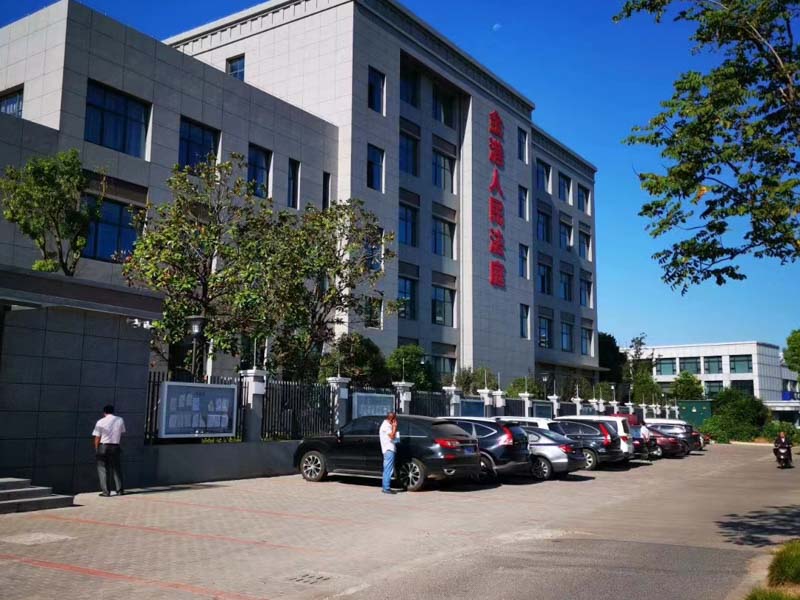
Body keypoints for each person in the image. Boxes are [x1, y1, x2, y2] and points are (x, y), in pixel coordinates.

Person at [93, 405, 126, 497]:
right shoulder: (120, 420)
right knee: (116, 469)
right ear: (113, 411)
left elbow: (97, 437)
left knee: (103, 469)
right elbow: (122, 432)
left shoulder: (100, 421)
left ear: (104, 412)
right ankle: (120, 490)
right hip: (115, 446)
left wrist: (96, 448)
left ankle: (106, 492)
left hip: (103, 446)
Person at [379, 412, 398, 495]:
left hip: (389, 449)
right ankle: (386, 488)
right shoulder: (386, 426)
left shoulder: (387, 425)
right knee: (388, 469)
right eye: (395, 419)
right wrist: (394, 427)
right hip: (388, 449)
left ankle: (385, 487)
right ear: (392, 419)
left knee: (387, 469)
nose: (396, 421)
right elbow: (392, 436)